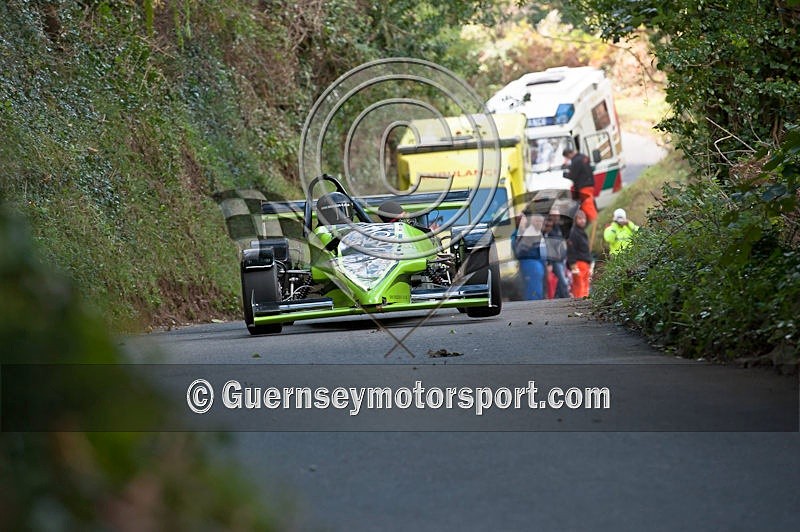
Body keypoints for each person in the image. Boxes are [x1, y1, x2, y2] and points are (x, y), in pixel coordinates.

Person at [512, 211, 546, 300]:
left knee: (536, 287)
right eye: (519, 219)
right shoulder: (519, 233)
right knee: (532, 288)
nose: (522, 221)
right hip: (530, 263)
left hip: (537, 263)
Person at [562, 148, 598, 223]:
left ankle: (595, 223)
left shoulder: (575, 161)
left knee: (587, 206)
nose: (568, 159)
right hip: (590, 184)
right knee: (590, 204)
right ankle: (594, 222)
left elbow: (572, 175)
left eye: (567, 157)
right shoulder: (583, 157)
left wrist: (564, 174)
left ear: (569, 155)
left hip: (584, 186)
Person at [543, 209, 570, 298]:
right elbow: (548, 247)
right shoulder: (548, 228)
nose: (556, 217)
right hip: (555, 261)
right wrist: (549, 263)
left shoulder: (558, 228)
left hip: (562, 259)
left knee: (560, 282)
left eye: (557, 215)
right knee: (563, 282)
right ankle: (566, 299)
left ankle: (560, 298)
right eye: (554, 215)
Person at [567, 209, 593, 298]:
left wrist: (590, 261)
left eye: (584, 218)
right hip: (578, 263)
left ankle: (584, 305)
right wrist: (573, 265)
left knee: (586, 286)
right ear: (575, 220)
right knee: (579, 286)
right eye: (580, 219)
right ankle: (578, 306)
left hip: (585, 263)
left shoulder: (582, 232)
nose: (582, 221)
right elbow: (571, 249)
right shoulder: (573, 233)